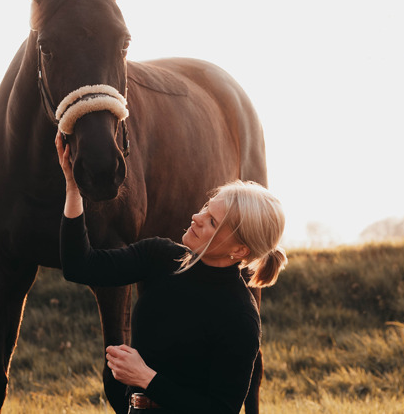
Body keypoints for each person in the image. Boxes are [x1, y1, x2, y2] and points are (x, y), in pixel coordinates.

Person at [54, 133, 288, 414]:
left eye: (212, 221)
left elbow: (221, 410)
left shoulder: (240, 317)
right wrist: (72, 188)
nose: (196, 218)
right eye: (205, 208)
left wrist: (146, 379)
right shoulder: (160, 256)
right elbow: (80, 266)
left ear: (239, 250)